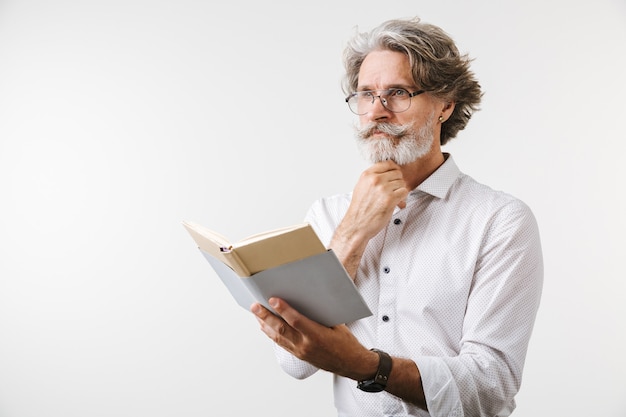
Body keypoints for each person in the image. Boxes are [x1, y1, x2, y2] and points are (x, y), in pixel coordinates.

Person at [251, 16, 543, 417]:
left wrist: (365, 366)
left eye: (399, 93)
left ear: (445, 105)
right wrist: (352, 233)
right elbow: (294, 362)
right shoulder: (329, 214)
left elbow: (490, 387)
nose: (377, 111)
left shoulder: (500, 221)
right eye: (366, 94)